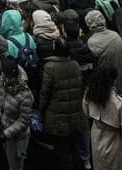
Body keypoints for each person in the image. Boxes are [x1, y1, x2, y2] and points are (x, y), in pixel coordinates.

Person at [38, 38, 88, 168]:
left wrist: (41, 112)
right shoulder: (75, 65)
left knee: (62, 148)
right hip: (75, 110)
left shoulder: (49, 67)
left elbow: (45, 93)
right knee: (74, 144)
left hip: (57, 113)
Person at [84, 63, 122, 170]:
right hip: (116, 142)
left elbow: (87, 112)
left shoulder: (89, 95)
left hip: (97, 136)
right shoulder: (119, 103)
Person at [0, 56, 33, 170]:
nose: (3, 78)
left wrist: (6, 133)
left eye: (6, 76)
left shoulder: (25, 95)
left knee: (16, 165)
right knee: (8, 161)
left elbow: (23, 121)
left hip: (17, 136)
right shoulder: (3, 79)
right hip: (4, 127)